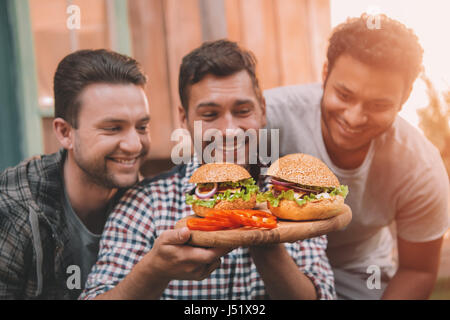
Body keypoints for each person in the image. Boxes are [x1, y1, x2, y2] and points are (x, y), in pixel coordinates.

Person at [80, 39, 336, 300]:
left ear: (262, 111)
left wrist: (265, 241)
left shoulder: (296, 199)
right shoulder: (144, 203)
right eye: (210, 115)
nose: (229, 130)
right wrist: (154, 270)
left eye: (242, 110)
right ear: (184, 118)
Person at [264, 14, 449, 299]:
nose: (354, 118)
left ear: (405, 97)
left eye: (378, 104)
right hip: (268, 256)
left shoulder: (421, 169)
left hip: (357, 270)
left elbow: (418, 270)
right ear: (325, 73)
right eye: (344, 95)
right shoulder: (266, 118)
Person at [0, 49, 151, 299]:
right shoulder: (13, 212)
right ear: (65, 133)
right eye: (113, 128)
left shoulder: (147, 203)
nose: (134, 144)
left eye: (142, 127)